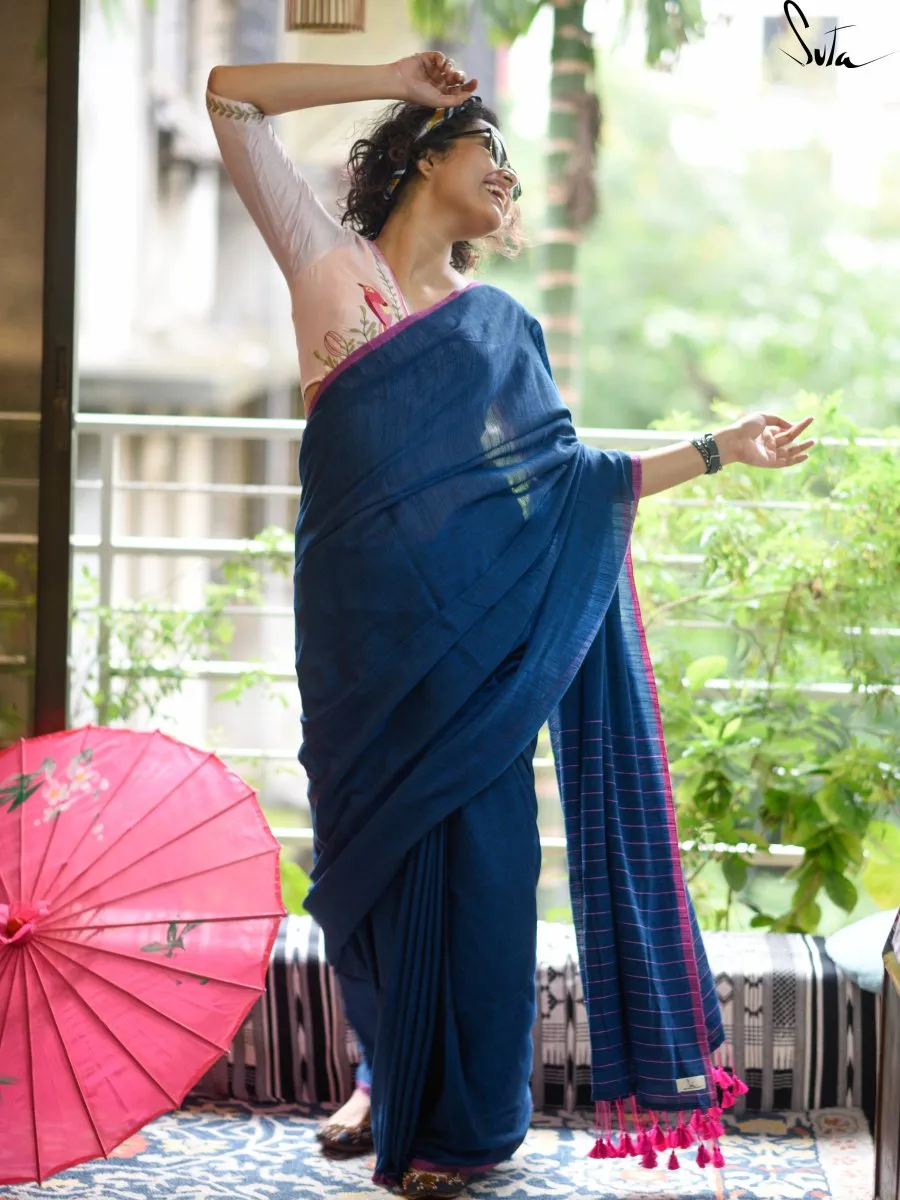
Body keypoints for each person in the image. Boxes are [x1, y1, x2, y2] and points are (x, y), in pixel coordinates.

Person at [206, 52, 814, 1200]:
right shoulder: (327, 269)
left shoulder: (494, 328)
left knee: (481, 881)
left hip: (470, 651)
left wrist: (725, 447)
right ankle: (387, 1075)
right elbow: (230, 100)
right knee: (371, 874)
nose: (508, 181)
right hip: (359, 639)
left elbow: (571, 483)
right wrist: (390, 71)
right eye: (492, 155)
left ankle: (460, 1129)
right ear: (432, 150)